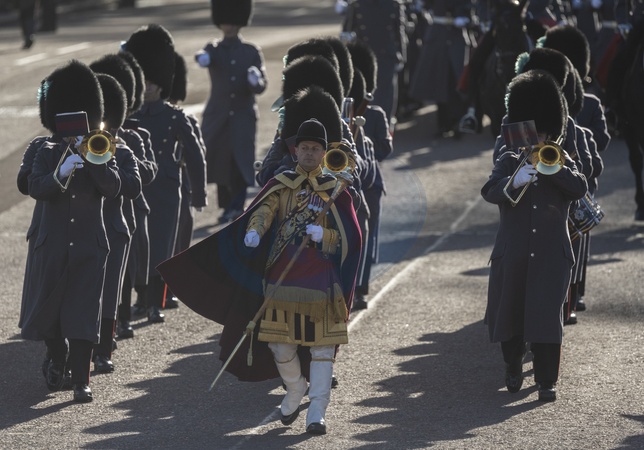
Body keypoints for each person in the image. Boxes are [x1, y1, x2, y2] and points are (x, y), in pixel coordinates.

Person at [157, 119, 361, 435]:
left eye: (315, 148)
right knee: (280, 346)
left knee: (322, 349)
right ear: (295, 151)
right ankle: (296, 387)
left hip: (322, 281)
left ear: (324, 153)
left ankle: (317, 411)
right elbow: (263, 211)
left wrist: (326, 237)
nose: (309, 153)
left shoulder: (336, 190)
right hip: (283, 280)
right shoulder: (282, 183)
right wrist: (254, 231)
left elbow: (351, 239)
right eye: (304, 148)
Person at [481, 69, 588, 402]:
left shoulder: (561, 160)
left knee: (546, 318)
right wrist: (514, 180)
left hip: (550, 254)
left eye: (541, 135)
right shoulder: (508, 160)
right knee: (511, 315)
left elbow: (579, 187)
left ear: (550, 133)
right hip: (513, 252)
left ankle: (546, 381)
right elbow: (489, 191)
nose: (535, 141)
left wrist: (553, 169)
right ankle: (513, 366)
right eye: (532, 134)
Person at [21, 60, 122, 403]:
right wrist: (61, 172)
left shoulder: (100, 146)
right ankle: (56, 355)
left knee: (83, 312)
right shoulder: (45, 151)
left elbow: (114, 187)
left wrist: (92, 160)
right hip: (53, 244)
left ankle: (81, 381)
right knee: (49, 311)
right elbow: (35, 186)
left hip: (89, 245)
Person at [122, 24, 208, 324]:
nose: (146, 87)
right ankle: (140, 299)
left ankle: (155, 303)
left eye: (151, 83)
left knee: (161, 248)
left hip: (166, 191)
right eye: (143, 82)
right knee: (136, 249)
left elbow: (195, 155)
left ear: (161, 85)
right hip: (137, 190)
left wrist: (198, 193)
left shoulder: (175, 117)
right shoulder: (129, 118)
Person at [195, 0, 267, 224]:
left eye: (234, 21)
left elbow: (261, 85)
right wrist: (201, 58)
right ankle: (228, 206)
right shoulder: (213, 49)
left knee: (241, 162)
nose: (230, 25)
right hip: (218, 115)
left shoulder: (251, 51)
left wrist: (255, 80)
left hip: (243, 116)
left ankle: (236, 206)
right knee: (220, 161)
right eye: (226, 21)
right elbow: (203, 57)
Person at [90, 73, 142, 373]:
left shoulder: (123, 151)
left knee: (109, 292)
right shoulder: (74, 149)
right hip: (81, 229)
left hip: (112, 228)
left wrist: (107, 159)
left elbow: (132, 187)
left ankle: (104, 348)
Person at [409, 0, 477, 138]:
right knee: (439, 82)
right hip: (438, 39)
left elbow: (470, 13)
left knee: (457, 83)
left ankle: (458, 123)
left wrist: (465, 19)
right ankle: (443, 124)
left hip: (456, 38)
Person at [340, 0, 407, 128]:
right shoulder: (357, 5)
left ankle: (383, 129)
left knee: (385, 98)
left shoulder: (393, 4)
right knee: (365, 96)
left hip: (384, 56)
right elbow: (347, 31)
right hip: (365, 57)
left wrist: (402, 56)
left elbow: (398, 32)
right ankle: (367, 130)